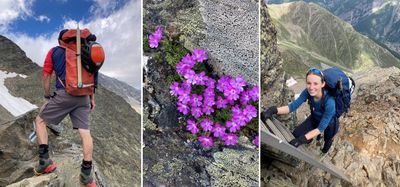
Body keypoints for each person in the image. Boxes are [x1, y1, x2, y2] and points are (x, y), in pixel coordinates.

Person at [34, 29, 97, 187]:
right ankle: (87, 176)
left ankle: (44, 162)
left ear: (60, 41)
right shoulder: (85, 51)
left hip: (64, 94)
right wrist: (91, 98)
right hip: (83, 96)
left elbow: (46, 75)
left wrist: (47, 95)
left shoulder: (54, 52)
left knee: (40, 121)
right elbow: (92, 76)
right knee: (85, 133)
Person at [261, 68, 339, 154]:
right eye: (309, 83)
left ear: (323, 84)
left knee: (328, 138)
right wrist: (273, 110)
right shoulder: (307, 92)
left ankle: (325, 150)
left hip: (330, 123)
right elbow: (292, 107)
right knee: (296, 134)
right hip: (314, 118)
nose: (311, 87)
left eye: (315, 83)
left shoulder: (330, 103)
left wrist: (301, 140)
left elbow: (320, 129)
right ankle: (309, 139)